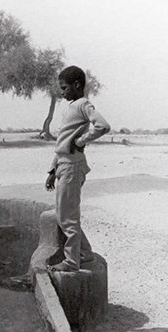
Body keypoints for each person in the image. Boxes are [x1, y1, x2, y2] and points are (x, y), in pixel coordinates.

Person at [44, 66, 110, 272]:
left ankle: (72, 262)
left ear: (76, 85)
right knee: (65, 214)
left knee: (67, 217)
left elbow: (103, 126)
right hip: (64, 164)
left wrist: (81, 141)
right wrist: (53, 170)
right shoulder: (72, 106)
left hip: (73, 165)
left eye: (64, 88)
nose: (62, 92)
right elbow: (64, 142)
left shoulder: (83, 104)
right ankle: (85, 254)